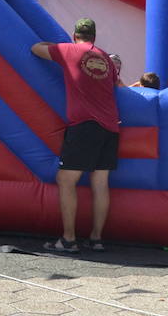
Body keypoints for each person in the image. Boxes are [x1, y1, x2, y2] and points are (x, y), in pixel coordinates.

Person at [31, 17, 121, 253]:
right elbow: (118, 86)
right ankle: (96, 239)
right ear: (94, 36)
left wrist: (60, 45)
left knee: (65, 180)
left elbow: (35, 49)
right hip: (110, 126)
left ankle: (69, 239)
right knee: (100, 183)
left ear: (74, 35)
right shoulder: (104, 57)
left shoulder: (68, 50)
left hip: (84, 125)